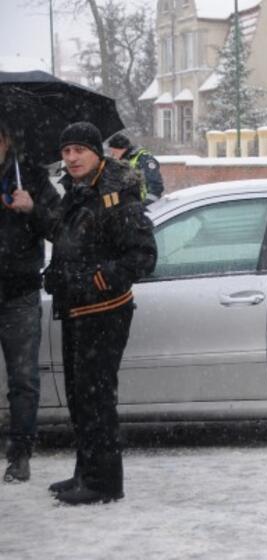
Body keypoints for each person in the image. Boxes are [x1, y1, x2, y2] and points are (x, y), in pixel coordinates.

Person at [11, 122, 156, 505]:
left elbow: (143, 256)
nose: (72, 158)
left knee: (97, 399)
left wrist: (98, 278)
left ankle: (104, 483)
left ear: (96, 152)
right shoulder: (79, 191)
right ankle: (86, 472)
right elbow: (62, 232)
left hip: (104, 311)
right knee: (80, 398)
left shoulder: (115, 195)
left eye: (79, 150)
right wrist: (32, 210)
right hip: (76, 308)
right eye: (66, 151)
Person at [0, 121, 61, 483]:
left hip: (19, 293)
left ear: (6, 140)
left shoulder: (31, 177)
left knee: (23, 378)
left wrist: (32, 208)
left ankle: (20, 455)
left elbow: (59, 227)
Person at [107, 132, 164, 204]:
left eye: (114, 152)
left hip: (146, 205)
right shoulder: (121, 162)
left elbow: (155, 183)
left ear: (122, 149)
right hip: (130, 206)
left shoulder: (143, 158)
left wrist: (147, 203)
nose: (112, 155)